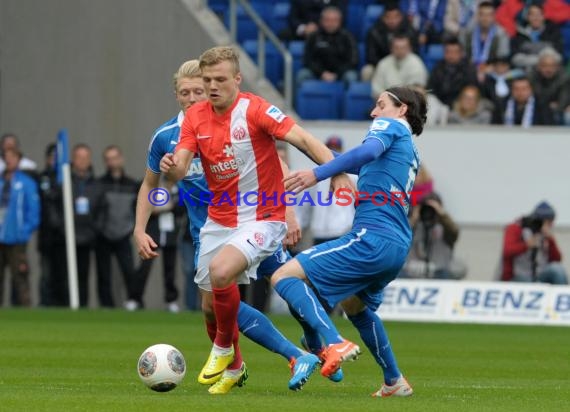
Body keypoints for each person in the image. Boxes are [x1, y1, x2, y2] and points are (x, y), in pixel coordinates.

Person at [137, 58, 332, 395]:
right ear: (176, 95)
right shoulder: (169, 136)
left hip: (258, 218)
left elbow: (277, 161)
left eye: (202, 88)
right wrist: (141, 227)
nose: (197, 95)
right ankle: (240, 365)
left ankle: (321, 345)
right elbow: (153, 184)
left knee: (287, 279)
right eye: (187, 91)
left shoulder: (238, 117)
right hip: (211, 227)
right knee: (211, 305)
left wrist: (289, 214)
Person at [272, 86, 428, 397]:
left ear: (402, 109)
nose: (373, 112)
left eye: (380, 105)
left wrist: (316, 175)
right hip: (395, 245)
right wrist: (306, 146)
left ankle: (329, 342)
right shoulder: (407, 147)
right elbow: (354, 161)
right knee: (354, 305)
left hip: (372, 237)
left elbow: (365, 153)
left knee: (283, 275)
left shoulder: (391, 126)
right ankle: (394, 380)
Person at [94, 145, 138, 308]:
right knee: (103, 273)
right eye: (108, 159)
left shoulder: (132, 184)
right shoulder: (99, 184)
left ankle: (134, 301)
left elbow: (137, 208)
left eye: (115, 158)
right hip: (103, 235)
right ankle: (106, 305)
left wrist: (133, 227)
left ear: (121, 159)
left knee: (128, 270)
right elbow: (94, 210)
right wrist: (99, 227)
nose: (112, 162)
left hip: (124, 234)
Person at [0, 148, 40, 306]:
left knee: (20, 277)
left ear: (19, 160)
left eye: (12, 157)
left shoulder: (26, 183)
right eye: (6, 157)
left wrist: (23, 232)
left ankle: (26, 312)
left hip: (17, 238)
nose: (9, 160)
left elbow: (34, 212)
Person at [400, 192, 467, 279]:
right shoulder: (413, 226)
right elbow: (400, 237)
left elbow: (454, 232)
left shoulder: (444, 227)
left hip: (439, 273)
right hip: (411, 273)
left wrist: (442, 215)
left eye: (433, 208)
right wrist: (414, 218)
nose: (429, 211)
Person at [501, 201, 568, 284]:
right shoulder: (516, 229)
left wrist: (551, 240)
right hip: (519, 276)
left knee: (558, 269)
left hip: (540, 273)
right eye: (548, 222)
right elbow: (507, 251)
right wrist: (526, 245)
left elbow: (557, 259)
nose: (550, 225)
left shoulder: (545, 235)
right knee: (530, 283)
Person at [295, 6, 359, 88]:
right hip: (317, 73)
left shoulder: (348, 37)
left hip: (341, 73)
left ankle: (347, 101)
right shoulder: (313, 37)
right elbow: (307, 59)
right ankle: (292, 101)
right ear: (321, 21)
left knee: (351, 77)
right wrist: (322, 73)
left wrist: (336, 74)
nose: (331, 23)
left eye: (334, 20)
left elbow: (353, 61)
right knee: (302, 75)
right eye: (327, 20)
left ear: (340, 21)